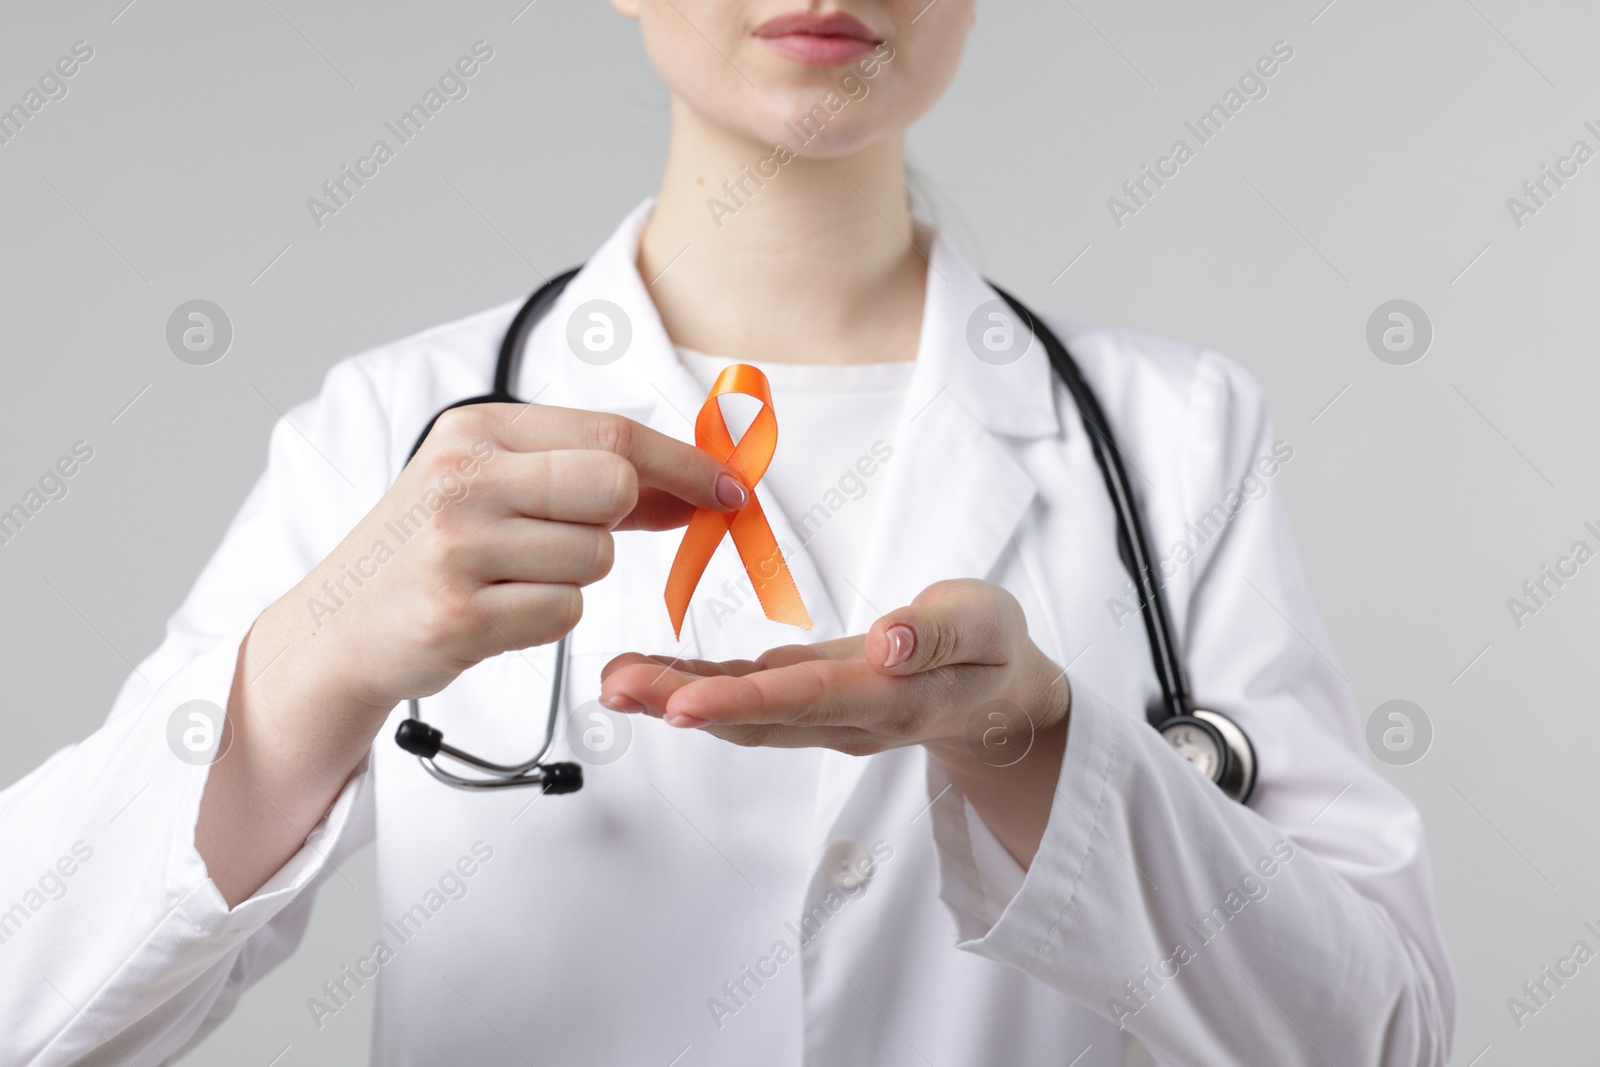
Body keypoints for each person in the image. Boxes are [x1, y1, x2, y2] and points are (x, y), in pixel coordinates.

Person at [0, 2, 1455, 1064]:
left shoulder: (1178, 436)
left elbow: (1381, 1036)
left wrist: (1051, 752)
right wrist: (307, 666)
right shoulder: (395, 431)